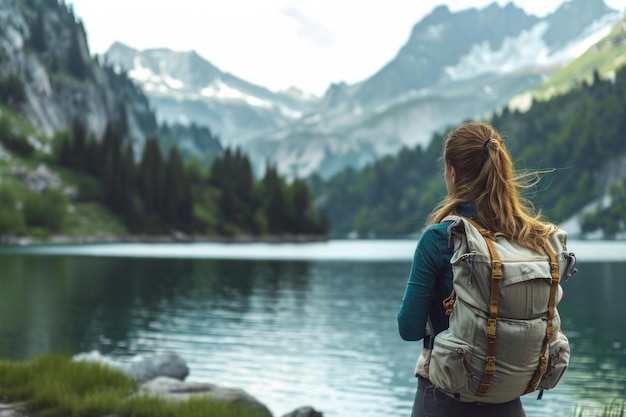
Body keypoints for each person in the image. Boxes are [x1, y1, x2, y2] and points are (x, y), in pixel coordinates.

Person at [397, 121, 559, 417]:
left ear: (452, 173)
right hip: (509, 401)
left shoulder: (440, 238)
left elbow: (408, 328)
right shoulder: (531, 238)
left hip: (444, 399)